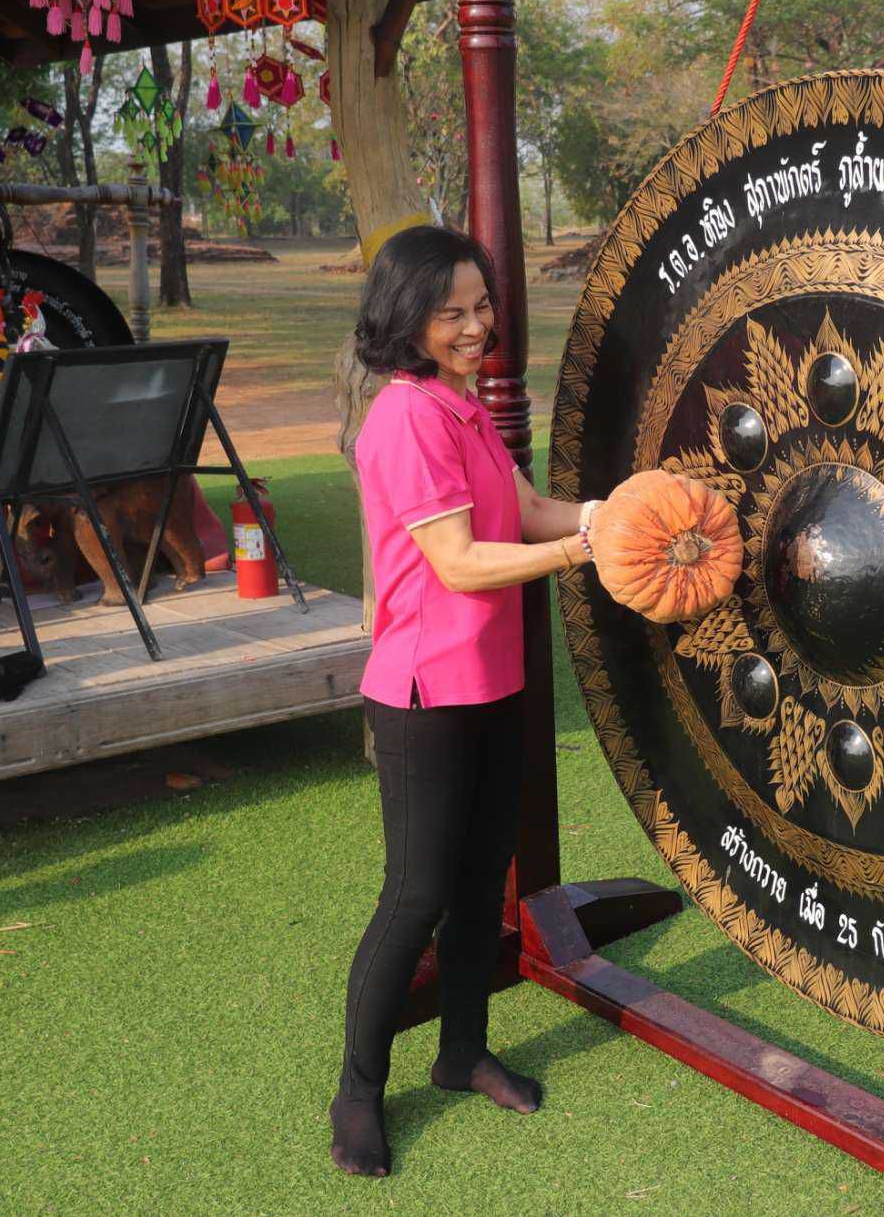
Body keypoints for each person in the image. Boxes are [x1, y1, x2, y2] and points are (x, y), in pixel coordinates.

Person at [330, 224, 603, 1178]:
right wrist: (581, 552)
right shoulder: (405, 417)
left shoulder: (463, 406)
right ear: (406, 317)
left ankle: (461, 1052)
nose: (475, 325)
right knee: (416, 895)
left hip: (493, 681)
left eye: (481, 305)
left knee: (485, 879)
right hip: (424, 693)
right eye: (451, 312)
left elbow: (522, 511)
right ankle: (357, 1091)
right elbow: (459, 562)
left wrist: (612, 514)